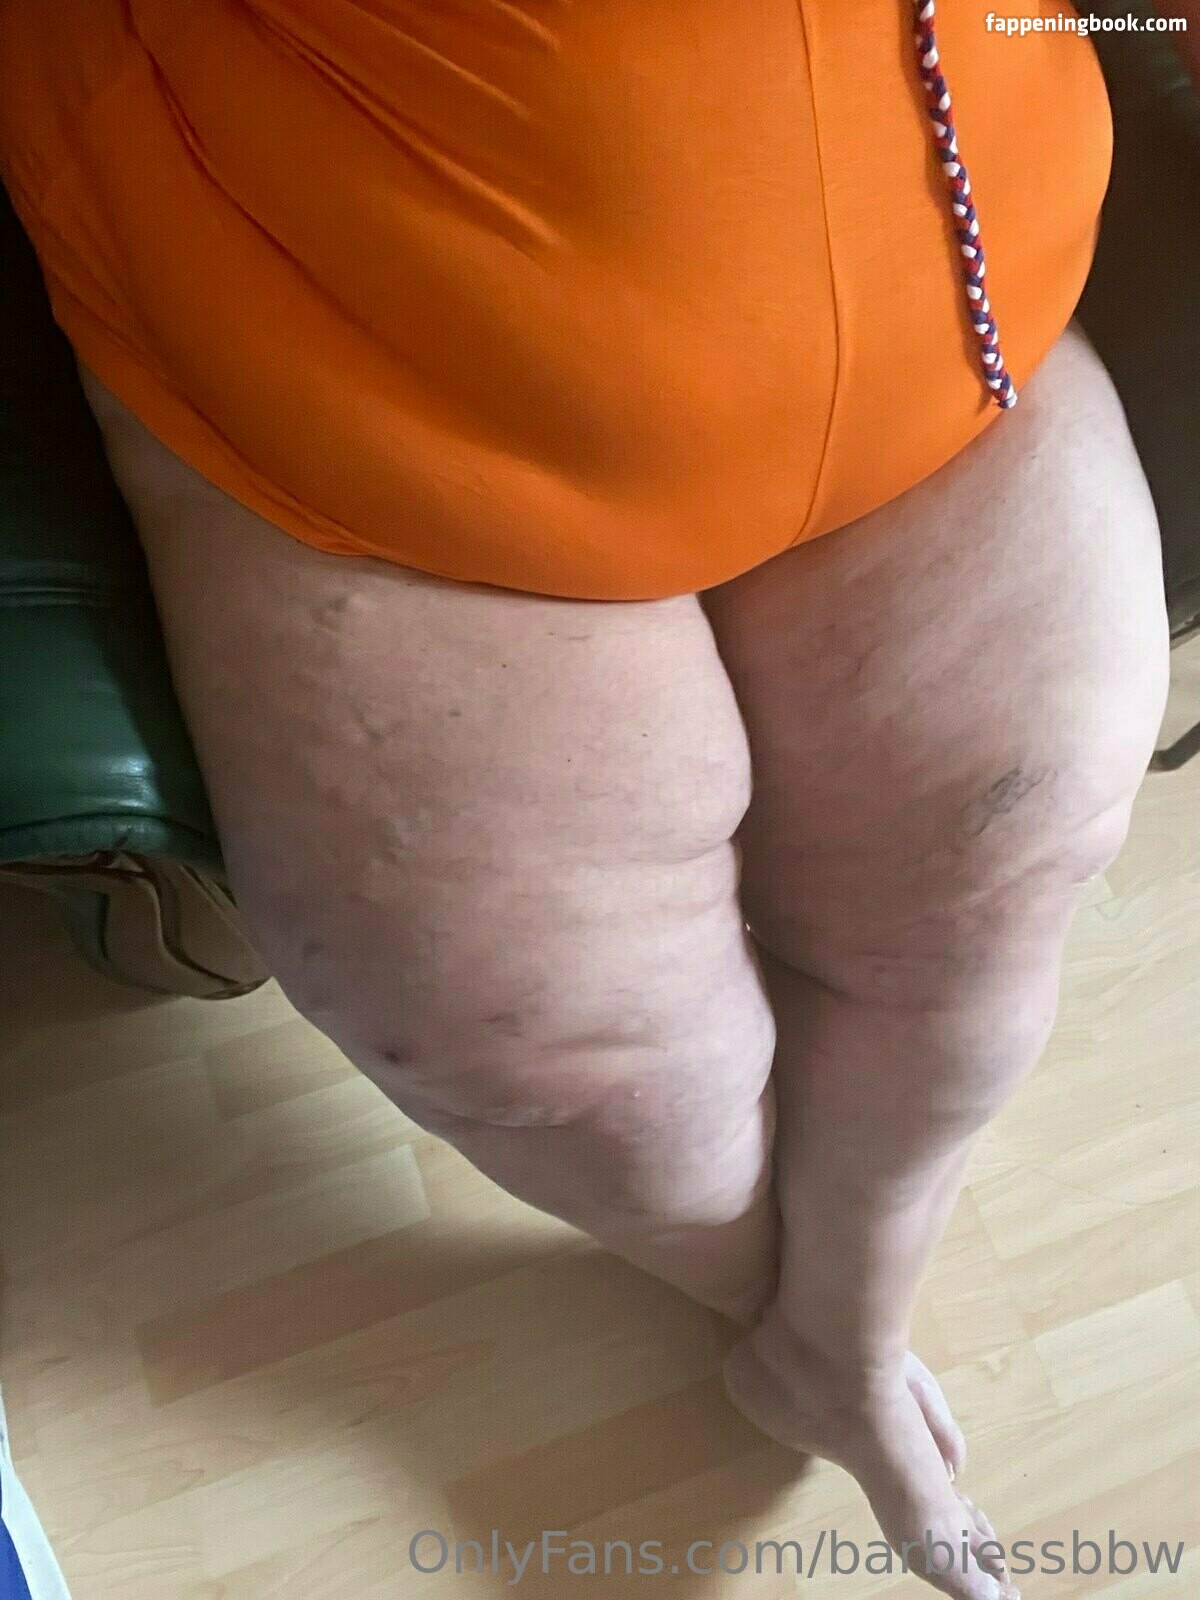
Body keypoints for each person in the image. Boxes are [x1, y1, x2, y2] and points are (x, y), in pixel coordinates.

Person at [0, 4, 1184, 1596]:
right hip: (347, 383)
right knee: (566, 1062)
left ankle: (837, 1337)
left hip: (964, 307)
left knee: (1000, 864)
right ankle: (781, 1307)